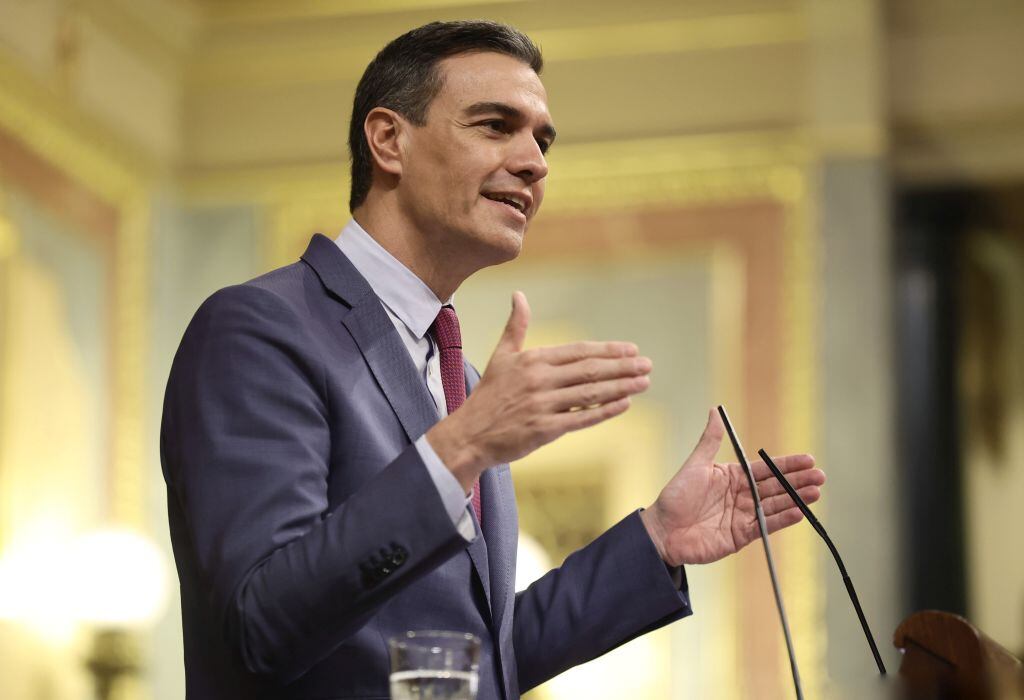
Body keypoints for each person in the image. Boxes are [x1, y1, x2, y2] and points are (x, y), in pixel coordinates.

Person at [160, 20, 825, 699]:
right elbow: (259, 624)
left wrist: (655, 541)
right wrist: (465, 444)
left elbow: (479, 660)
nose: (535, 161)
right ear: (389, 139)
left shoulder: (463, 384)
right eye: (495, 125)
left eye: (542, 139)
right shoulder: (259, 328)